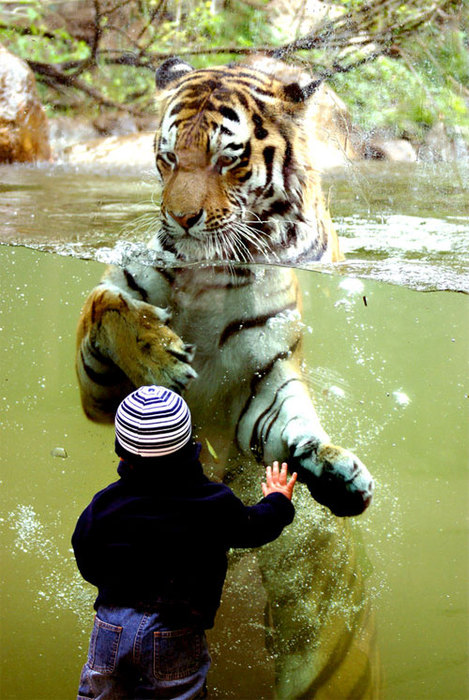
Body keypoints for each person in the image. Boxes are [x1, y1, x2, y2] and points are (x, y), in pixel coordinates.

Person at [72, 384, 297, 699]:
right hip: (173, 629)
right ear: (192, 445)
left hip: (111, 626)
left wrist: (116, 593)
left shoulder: (104, 504)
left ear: (121, 451)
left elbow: (85, 554)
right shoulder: (212, 501)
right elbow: (253, 528)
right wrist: (278, 501)